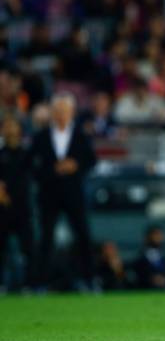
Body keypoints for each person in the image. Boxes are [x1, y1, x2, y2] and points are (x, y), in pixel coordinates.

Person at [29, 93, 97, 290]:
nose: (60, 115)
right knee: (45, 238)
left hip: (74, 194)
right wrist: (52, 169)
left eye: (64, 111)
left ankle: (89, 279)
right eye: (57, 111)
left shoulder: (80, 136)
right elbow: (31, 166)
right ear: (51, 112)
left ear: (72, 113)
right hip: (49, 195)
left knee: (83, 235)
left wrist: (75, 165)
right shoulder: (40, 137)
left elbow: (91, 160)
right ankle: (39, 282)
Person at [0, 116, 35, 290]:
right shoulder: (1, 154)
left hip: (23, 207)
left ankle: (30, 284)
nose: (10, 130)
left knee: (28, 248)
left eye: (12, 126)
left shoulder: (27, 154)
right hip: (2, 207)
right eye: (6, 126)